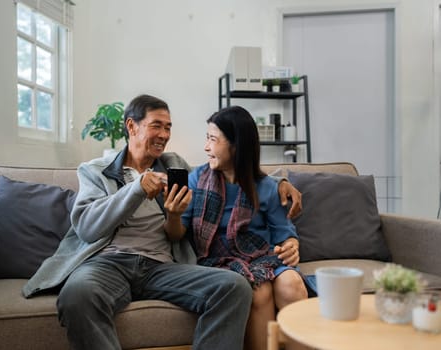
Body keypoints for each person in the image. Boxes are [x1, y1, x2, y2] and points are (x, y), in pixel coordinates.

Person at [22, 94, 302, 350]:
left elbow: (227, 171)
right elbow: (87, 227)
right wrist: (138, 188)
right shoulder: (95, 171)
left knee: (234, 287)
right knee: (76, 295)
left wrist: (280, 182)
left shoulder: (174, 166)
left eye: (168, 127)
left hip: (161, 266)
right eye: (157, 126)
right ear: (132, 127)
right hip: (107, 263)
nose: (165, 135)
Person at [164, 105, 308, 350]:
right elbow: (176, 234)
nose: (206, 147)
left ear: (236, 146)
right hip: (216, 260)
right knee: (259, 291)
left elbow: (285, 234)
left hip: (262, 257)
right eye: (206, 138)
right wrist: (174, 216)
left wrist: (291, 246)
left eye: (212, 139)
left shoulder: (267, 187)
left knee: (292, 284)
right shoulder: (196, 180)